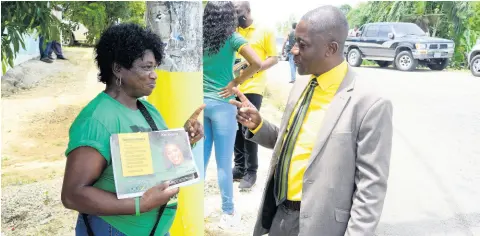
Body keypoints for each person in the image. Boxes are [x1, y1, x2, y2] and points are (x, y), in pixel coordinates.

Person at [230, 5, 393, 236]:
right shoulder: (302, 84)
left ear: (331, 49)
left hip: (323, 226)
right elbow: (292, 143)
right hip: (279, 215)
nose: (293, 51)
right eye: (295, 42)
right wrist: (258, 125)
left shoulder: (369, 103)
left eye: (302, 45)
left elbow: (371, 187)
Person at [61, 23, 205, 236]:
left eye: (155, 67)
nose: (154, 75)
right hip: (114, 230)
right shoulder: (97, 119)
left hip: (155, 229)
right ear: (118, 68)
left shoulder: (148, 110)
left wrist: (184, 140)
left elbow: (158, 164)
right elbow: (72, 194)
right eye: (146, 67)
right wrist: (141, 204)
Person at [202, 1, 262, 228]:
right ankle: (227, 212)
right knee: (223, 162)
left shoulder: (199, 37)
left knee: (200, 159)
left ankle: (192, 207)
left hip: (201, 104)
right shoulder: (232, 38)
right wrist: (236, 81)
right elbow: (256, 62)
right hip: (224, 103)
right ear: (229, 16)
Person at [232, 1, 278, 190]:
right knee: (235, 127)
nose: (237, 17)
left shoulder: (265, 30)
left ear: (248, 11)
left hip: (253, 86)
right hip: (234, 86)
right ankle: (240, 167)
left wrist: (254, 70)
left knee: (249, 128)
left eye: (239, 12)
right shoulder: (232, 31)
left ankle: (252, 172)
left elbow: (274, 58)